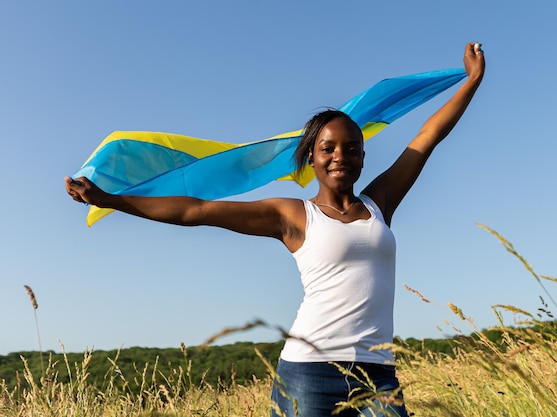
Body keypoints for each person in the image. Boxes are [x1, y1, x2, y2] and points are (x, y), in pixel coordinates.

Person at [66, 42, 485, 416]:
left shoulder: (379, 205)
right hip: (309, 373)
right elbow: (197, 210)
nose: (341, 155)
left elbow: (427, 136)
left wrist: (471, 81)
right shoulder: (293, 215)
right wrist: (112, 201)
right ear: (311, 158)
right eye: (328, 148)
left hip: (378, 375)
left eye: (352, 148)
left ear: (362, 157)